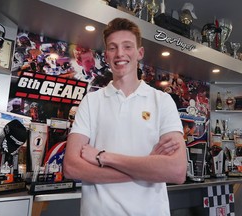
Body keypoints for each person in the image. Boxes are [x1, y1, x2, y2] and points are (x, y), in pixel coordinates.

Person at [63, 17, 187, 216]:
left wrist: (103, 157)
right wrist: (147, 168)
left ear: (140, 53)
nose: (120, 53)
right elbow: (71, 167)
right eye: (113, 48)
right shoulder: (91, 101)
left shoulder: (162, 101)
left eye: (127, 46)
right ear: (106, 56)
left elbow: (177, 171)